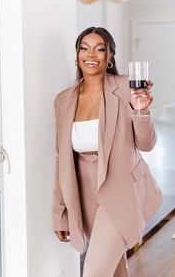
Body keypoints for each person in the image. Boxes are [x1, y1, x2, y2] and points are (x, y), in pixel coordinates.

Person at [53, 27, 162, 277]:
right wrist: (61, 213)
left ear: (109, 56)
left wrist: (141, 110)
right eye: (84, 47)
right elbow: (62, 159)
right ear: (77, 54)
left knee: (94, 272)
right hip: (84, 191)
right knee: (114, 270)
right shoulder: (63, 100)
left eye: (100, 48)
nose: (91, 54)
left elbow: (146, 144)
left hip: (120, 189)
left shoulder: (126, 88)